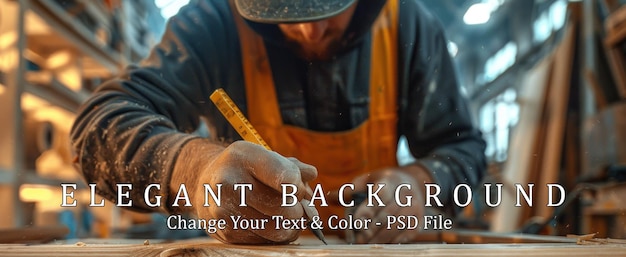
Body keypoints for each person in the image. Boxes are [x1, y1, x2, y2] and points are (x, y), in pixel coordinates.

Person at [71, 0, 486, 244]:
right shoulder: (213, 23)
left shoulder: (409, 25)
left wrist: (419, 182)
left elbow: (463, 148)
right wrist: (193, 171)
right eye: (283, 8)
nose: (309, 30)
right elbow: (97, 128)